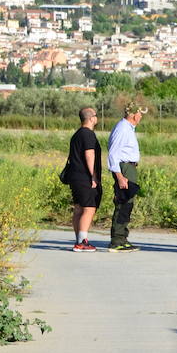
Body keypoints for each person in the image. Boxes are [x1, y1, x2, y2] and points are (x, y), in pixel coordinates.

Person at [106, 103, 147, 253]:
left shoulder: (128, 128)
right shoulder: (123, 128)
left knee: (127, 203)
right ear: (134, 115)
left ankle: (122, 237)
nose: (141, 116)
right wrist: (120, 176)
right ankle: (117, 240)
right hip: (123, 168)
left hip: (128, 167)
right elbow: (113, 154)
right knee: (123, 202)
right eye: (140, 114)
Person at [64, 106, 101, 251]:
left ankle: (79, 239)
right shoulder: (88, 134)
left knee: (79, 208)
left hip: (75, 176)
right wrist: (93, 175)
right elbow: (89, 154)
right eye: (96, 115)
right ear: (91, 118)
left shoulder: (77, 134)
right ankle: (82, 242)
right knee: (89, 208)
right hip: (85, 176)